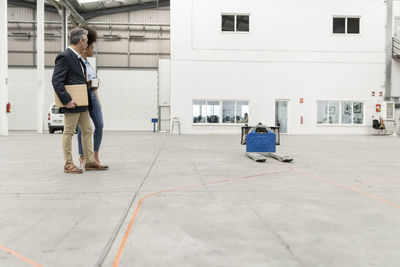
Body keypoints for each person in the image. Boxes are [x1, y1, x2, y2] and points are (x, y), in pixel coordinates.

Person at [52, 28, 108, 174]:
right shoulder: (64, 56)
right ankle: (68, 164)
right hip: (72, 103)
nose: (87, 45)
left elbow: (76, 79)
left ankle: (89, 161)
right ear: (81, 41)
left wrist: (87, 84)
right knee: (69, 131)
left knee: (88, 129)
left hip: (83, 102)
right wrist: (67, 100)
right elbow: (57, 81)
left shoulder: (78, 59)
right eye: (87, 42)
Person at [76, 26, 107, 168]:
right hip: (82, 96)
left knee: (99, 125)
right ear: (86, 47)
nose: (94, 50)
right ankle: (82, 156)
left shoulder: (88, 63)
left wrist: (95, 86)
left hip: (93, 96)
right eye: (92, 47)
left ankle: (95, 155)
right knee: (82, 127)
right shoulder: (78, 62)